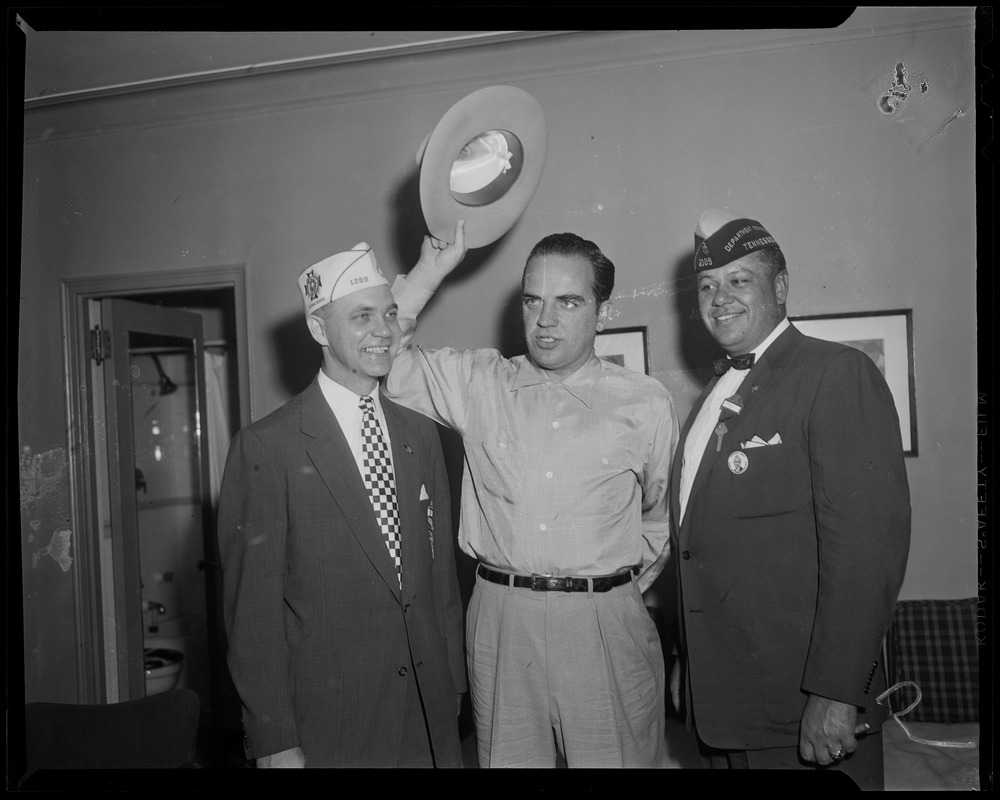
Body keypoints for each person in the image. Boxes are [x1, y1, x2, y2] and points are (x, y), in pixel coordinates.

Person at [384, 221, 679, 768]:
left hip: (604, 623)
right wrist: (429, 271)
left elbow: (659, 522)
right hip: (502, 619)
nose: (545, 320)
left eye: (568, 301)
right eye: (533, 301)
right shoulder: (479, 383)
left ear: (603, 311)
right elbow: (382, 357)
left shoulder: (645, 403)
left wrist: (608, 593)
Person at [671, 208, 911, 788]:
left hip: (800, 713)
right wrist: (689, 665)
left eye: (739, 280)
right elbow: (701, 548)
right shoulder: (713, 394)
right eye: (707, 285)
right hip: (723, 706)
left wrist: (837, 694)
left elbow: (866, 552)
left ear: (780, 288)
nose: (719, 297)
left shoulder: (836, 373)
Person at [217, 242, 466, 768]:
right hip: (329, 728)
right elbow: (252, 618)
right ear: (317, 329)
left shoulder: (421, 432)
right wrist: (274, 740)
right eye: (362, 317)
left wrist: (454, 688)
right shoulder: (267, 447)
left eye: (391, 314)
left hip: (429, 717)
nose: (384, 331)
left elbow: (439, 579)